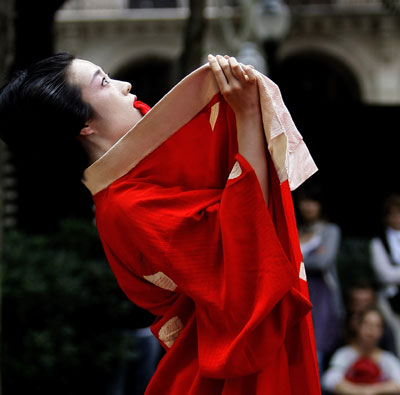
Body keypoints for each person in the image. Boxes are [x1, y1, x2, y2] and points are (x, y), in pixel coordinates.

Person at [0, 52, 320, 394]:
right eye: (104, 82)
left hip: (224, 355)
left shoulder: (135, 173)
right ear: (83, 125)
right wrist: (248, 113)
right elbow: (242, 255)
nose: (126, 86)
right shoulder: (126, 206)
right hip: (232, 370)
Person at [295, 183, 343, 373]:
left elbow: (323, 261)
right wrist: (313, 255)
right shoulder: (295, 230)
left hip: (322, 294)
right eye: (305, 201)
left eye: (313, 201)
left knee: (317, 352)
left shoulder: (330, 230)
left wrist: (298, 262)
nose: (308, 206)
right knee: (297, 350)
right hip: (297, 292)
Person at [321, 307, 400, 395]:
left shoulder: (388, 359)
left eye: (376, 326)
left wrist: (372, 390)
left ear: (382, 331)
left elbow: (399, 383)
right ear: (358, 326)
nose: (371, 330)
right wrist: (361, 391)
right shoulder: (344, 354)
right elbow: (329, 380)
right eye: (367, 324)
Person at [370, 194, 400, 356]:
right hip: (390, 301)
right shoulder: (378, 242)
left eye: (399, 213)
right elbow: (385, 275)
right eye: (392, 214)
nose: (396, 218)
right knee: (396, 341)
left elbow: (392, 273)